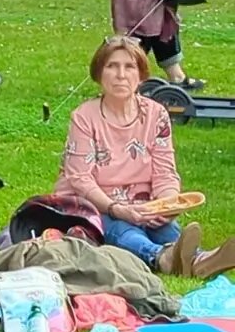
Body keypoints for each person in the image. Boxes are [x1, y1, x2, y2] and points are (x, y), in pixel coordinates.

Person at [53, 36, 235, 278]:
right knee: (123, 229)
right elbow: (80, 180)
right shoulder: (84, 116)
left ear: (140, 75)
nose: (121, 74)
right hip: (95, 205)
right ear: (99, 74)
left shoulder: (156, 113)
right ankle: (162, 258)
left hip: (144, 204)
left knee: (166, 229)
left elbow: (164, 170)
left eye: (129, 67)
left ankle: (198, 259)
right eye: (112, 66)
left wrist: (166, 204)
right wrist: (117, 208)